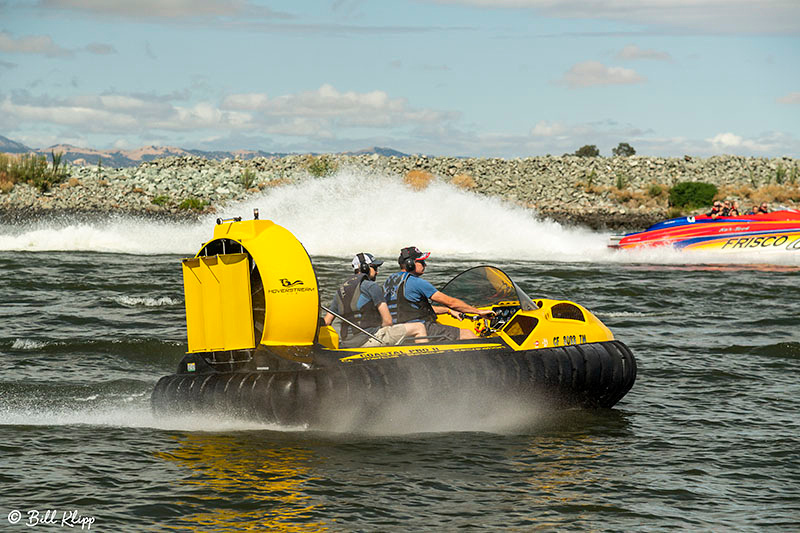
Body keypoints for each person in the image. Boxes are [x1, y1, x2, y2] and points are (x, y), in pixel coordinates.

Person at [383, 246, 494, 341]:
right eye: (421, 261)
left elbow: (410, 308)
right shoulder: (416, 282)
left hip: (398, 330)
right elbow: (451, 302)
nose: (425, 265)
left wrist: (448, 311)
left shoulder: (389, 281)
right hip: (420, 328)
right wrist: (479, 312)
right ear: (410, 264)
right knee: (467, 334)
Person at [323, 253, 425, 348]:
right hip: (370, 339)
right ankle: (425, 363)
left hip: (348, 343)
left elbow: (327, 321)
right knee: (419, 328)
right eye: (375, 268)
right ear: (365, 267)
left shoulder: (340, 291)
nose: (377, 272)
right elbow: (388, 321)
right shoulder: (371, 286)